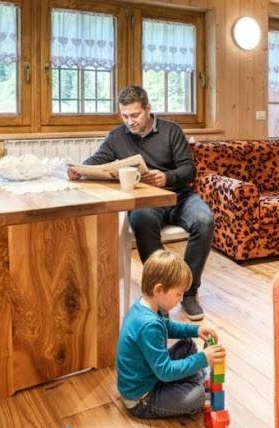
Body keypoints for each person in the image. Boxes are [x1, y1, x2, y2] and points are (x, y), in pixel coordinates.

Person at [68, 85, 214, 320]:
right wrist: (80, 170)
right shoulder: (117, 136)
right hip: (147, 201)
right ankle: (161, 294)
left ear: (148, 109)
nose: (130, 122)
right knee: (141, 218)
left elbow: (189, 169)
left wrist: (167, 177)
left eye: (135, 115)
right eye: (124, 116)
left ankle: (188, 292)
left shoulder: (171, 131)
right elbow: (97, 161)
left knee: (204, 221)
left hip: (178, 196)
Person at [117, 250, 224, 419]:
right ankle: (196, 381)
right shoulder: (149, 325)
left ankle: (193, 378)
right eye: (178, 294)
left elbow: (166, 326)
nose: (181, 299)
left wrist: (195, 330)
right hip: (142, 398)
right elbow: (165, 372)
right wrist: (202, 359)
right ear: (159, 290)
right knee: (197, 397)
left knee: (187, 344)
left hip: (150, 375)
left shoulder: (144, 306)